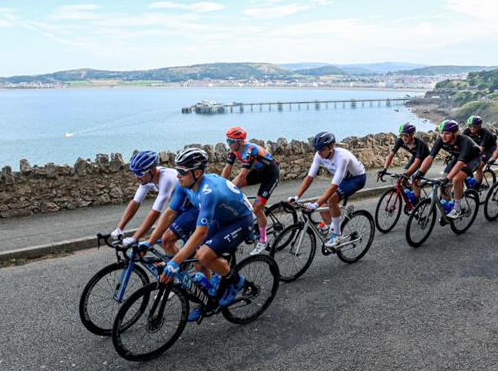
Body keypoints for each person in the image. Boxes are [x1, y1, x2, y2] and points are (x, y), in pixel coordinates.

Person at [142, 148, 255, 321]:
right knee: (198, 262)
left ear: (197, 172)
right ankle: (209, 298)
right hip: (221, 218)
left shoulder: (208, 192)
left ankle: (236, 281)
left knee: (204, 255)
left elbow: (200, 232)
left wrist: (175, 262)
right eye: (177, 169)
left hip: (241, 220)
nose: (177, 175)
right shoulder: (184, 185)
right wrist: (149, 241)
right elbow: (170, 213)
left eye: (182, 171)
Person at [289, 132, 366, 248]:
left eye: (322, 149)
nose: (319, 152)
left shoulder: (342, 157)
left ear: (331, 147)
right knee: (323, 206)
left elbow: (333, 186)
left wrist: (315, 204)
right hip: (343, 179)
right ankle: (330, 227)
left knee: (331, 200)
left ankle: (337, 235)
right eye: (317, 149)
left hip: (357, 178)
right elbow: (310, 177)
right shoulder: (319, 155)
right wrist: (297, 196)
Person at [220, 126, 280, 255]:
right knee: (232, 187)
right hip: (258, 172)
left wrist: (226, 191)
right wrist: (219, 186)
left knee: (257, 208)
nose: (229, 144)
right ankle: (245, 215)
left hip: (271, 174)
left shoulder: (250, 150)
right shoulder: (233, 150)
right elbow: (227, 169)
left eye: (231, 141)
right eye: (227, 141)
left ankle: (263, 240)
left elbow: (242, 175)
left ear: (240, 141)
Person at [410, 120, 482, 219]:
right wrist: (420, 172)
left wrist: (448, 179)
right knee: (444, 186)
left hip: (473, 159)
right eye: (442, 133)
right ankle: (449, 208)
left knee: (456, 179)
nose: (443, 136)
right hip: (458, 157)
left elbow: (460, 164)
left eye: (447, 133)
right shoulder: (440, 140)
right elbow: (430, 158)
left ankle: (457, 209)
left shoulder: (465, 141)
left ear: (455, 133)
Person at [110, 150, 181, 246]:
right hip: (178, 205)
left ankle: (179, 260)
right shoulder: (147, 179)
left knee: (165, 239)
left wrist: (135, 238)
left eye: (139, 174)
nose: (137, 178)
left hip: (193, 206)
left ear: (151, 171)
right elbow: (135, 202)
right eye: (135, 173)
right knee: (160, 238)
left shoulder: (166, 179)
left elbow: (155, 212)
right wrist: (119, 228)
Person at [379, 122, 430, 195]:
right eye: (401, 135)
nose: (403, 138)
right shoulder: (400, 141)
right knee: (403, 179)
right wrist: (384, 169)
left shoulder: (420, 144)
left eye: (406, 135)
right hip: (415, 157)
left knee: (415, 180)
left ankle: (417, 201)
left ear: (412, 134)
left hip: (425, 160)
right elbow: (391, 155)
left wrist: (407, 174)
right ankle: (411, 192)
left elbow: (417, 162)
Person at [464, 115, 497, 189]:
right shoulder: (467, 131)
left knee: (479, 166)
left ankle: (477, 186)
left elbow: (481, 149)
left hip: (488, 149)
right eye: (470, 126)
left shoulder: (485, 133)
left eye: (474, 126)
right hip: (477, 146)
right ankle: (472, 179)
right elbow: (461, 143)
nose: (472, 128)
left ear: (479, 126)